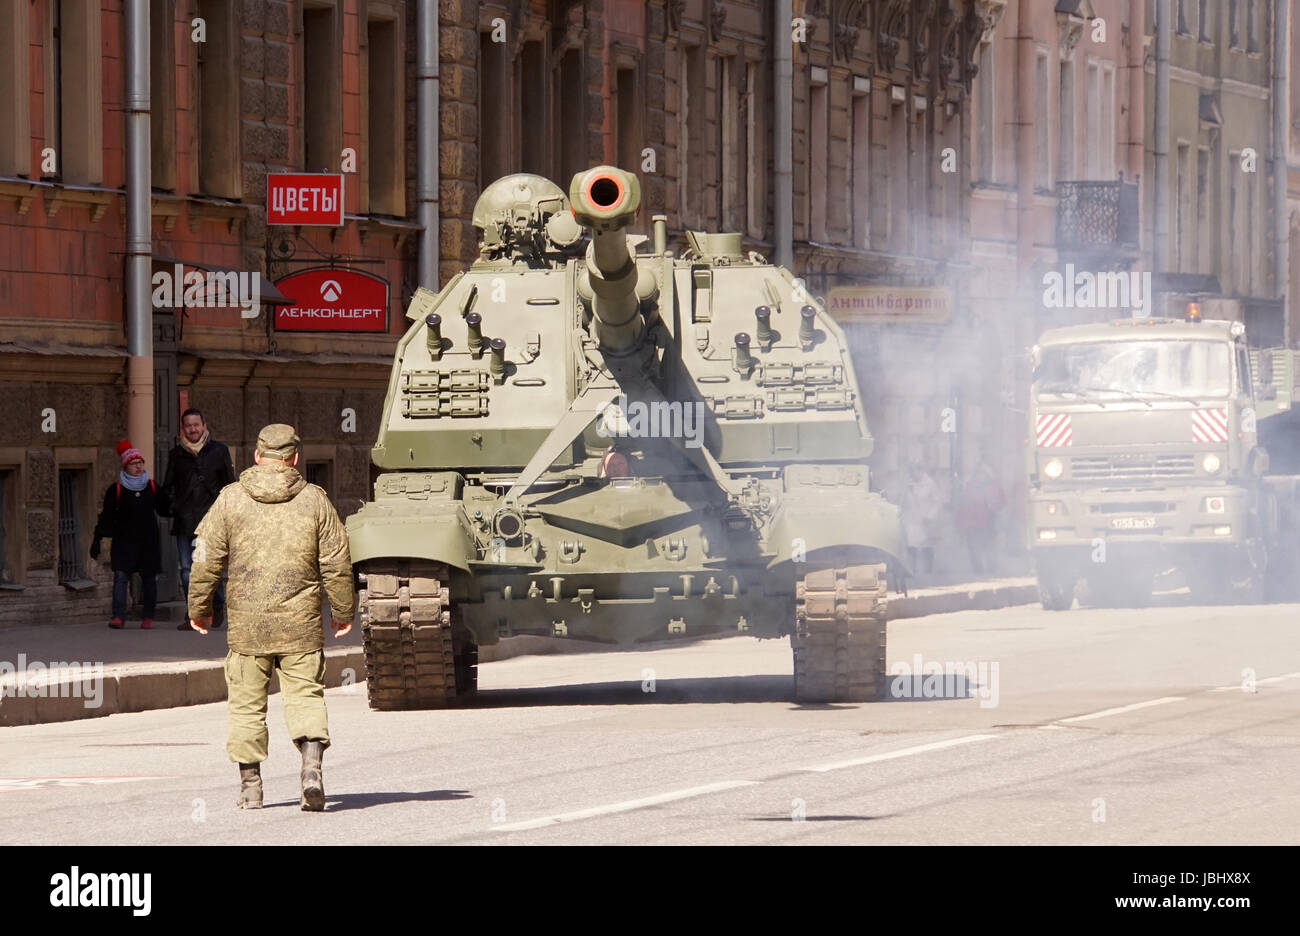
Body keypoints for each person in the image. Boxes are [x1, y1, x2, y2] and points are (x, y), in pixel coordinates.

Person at [188, 424, 354, 812]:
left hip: (248, 627)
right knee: (306, 698)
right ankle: (311, 771)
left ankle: (251, 788)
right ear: (295, 458)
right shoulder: (315, 500)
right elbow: (337, 560)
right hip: (301, 625)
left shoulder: (230, 500)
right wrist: (344, 611)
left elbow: (205, 557)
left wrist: (199, 607)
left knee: (246, 705)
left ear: (258, 456)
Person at [158, 408, 236, 631]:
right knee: (187, 569)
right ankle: (194, 614)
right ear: (183, 428)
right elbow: (169, 485)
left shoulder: (218, 451)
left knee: (210, 567)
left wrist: (226, 514)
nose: (192, 429)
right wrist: (173, 506)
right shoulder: (177, 454)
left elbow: (229, 485)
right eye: (188, 426)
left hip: (211, 521)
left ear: (204, 425)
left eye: (196, 425)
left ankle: (218, 603)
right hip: (185, 520)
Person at [90, 441, 162, 629]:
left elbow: (165, 508)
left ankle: (148, 616)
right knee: (121, 577)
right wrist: (98, 538)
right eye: (134, 463)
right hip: (124, 541)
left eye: (140, 462)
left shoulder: (152, 486)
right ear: (125, 466)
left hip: (148, 541)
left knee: (148, 578)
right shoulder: (117, 490)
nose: (138, 466)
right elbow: (107, 515)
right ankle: (118, 616)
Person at [956, 457, 1005, 576]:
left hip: (987, 522)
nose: (981, 475)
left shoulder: (992, 486)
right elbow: (964, 505)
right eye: (980, 473)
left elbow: (1001, 503)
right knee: (977, 548)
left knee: (987, 547)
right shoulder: (974, 486)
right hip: (977, 523)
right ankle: (982, 571)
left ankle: (988, 570)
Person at [900, 463, 941, 575]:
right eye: (912, 472)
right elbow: (902, 501)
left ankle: (928, 571)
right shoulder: (908, 484)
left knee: (926, 546)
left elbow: (937, 502)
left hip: (925, 520)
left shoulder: (930, 484)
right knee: (911, 545)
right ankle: (912, 570)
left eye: (916, 471)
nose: (914, 474)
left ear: (921, 471)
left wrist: (930, 516)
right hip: (910, 519)